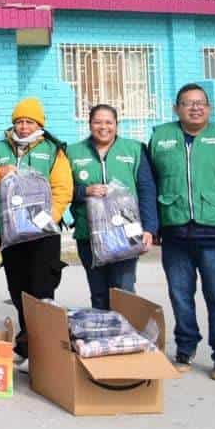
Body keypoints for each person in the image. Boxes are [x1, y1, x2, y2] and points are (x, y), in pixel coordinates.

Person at [147, 83, 215, 382]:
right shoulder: (160, 138)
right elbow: (150, 186)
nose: (195, 108)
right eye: (188, 103)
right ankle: (185, 349)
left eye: (201, 103)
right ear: (176, 108)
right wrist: (152, 226)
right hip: (175, 234)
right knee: (180, 295)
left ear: (209, 108)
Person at [0, 97, 72, 368]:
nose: (24, 127)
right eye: (20, 121)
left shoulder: (54, 150)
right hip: (10, 232)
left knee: (42, 289)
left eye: (30, 122)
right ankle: (27, 343)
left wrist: (47, 221)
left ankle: (43, 349)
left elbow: (63, 189)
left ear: (39, 124)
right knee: (18, 288)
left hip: (42, 233)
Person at [65, 104, 159, 311]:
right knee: (98, 293)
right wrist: (84, 191)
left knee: (124, 290)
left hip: (126, 234)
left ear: (117, 125)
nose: (103, 127)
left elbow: (146, 190)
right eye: (97, 122)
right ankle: (104, 340)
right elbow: (62, 190)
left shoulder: (134, 149)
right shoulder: (72, 152)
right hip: (88, 235)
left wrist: (149, 229)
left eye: (109, 122)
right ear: (89, 124)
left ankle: (126, 339)